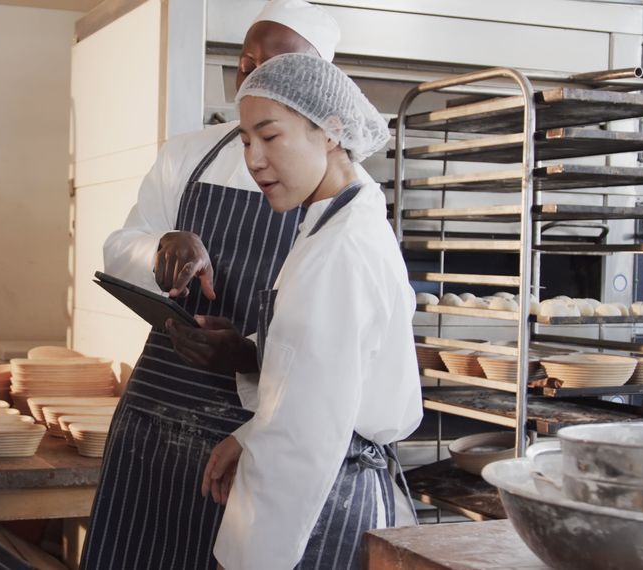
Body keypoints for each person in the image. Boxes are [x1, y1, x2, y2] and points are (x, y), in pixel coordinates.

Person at [84, 2, 354, 569]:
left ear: (319, 87)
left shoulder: (340, 194)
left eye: (276, 63)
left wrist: (248, 356)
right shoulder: (187, 153)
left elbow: (331, 354)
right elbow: (118, 245)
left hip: (250, 431)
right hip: (157, 413)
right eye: (246, 61)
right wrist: (162, 247)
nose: (253, 77)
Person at [199, 53, 423, 570]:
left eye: (269, 136)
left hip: (318, 503)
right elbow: (320, 381)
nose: (254, 160)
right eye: (245, 140)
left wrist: (251, 555)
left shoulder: (341, 247)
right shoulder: (334, 218)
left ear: (330, 130)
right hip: (331, 482)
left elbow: (307, 433)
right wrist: (248, 434)